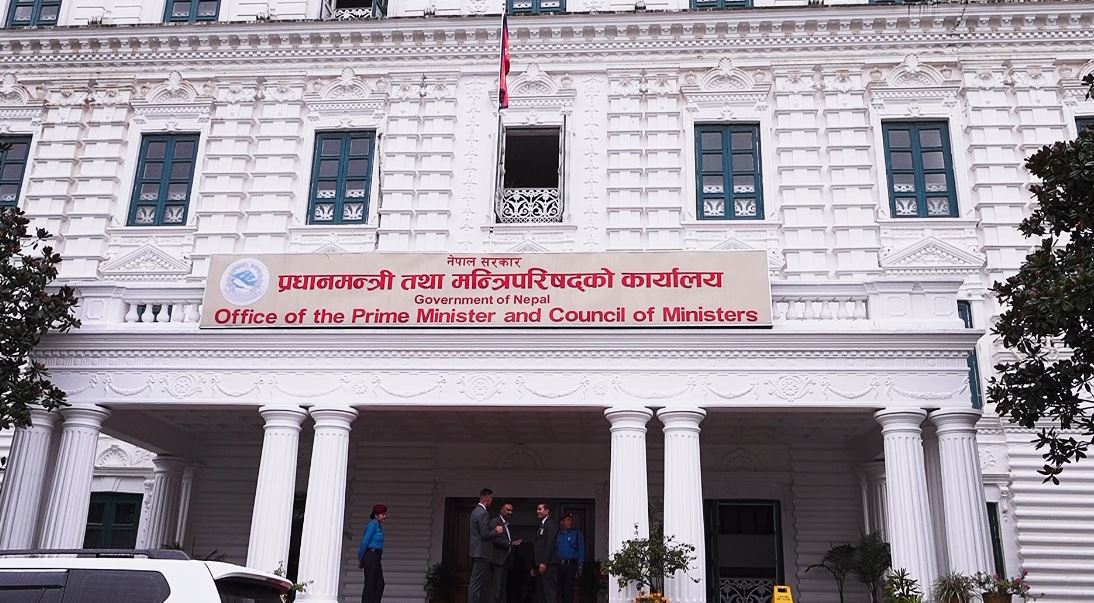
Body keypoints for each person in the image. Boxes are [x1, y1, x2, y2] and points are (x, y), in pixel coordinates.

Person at [469, 488, 505, 603]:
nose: (491, 501)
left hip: (476, 551)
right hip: (481, 552)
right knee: (477, 583)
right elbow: (484, 534)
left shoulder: (475, 511)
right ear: (487, 499)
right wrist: (496, 531)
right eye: (491, 499)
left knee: (476, 582)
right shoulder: (483, 513)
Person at [490, 502, 524, 603]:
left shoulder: (506, 525)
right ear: (501, 510)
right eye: (508, 510)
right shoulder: (495, 522)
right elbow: (494, 538)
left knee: (502, 589)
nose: (510, 512)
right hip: (497, 562)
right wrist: (510, 543)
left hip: (505, 561)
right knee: (496, 589)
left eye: (511, 510)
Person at [357, 504, 387, 603]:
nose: (385, 516)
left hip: (376, 557)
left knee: (380, 584)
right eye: (382, 514)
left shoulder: (378, 526)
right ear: (376, 515)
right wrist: (361, 558)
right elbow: (365, 542)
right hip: (370, 555)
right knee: (370, 584)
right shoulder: (372, 525)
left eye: (385, 514)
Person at [532, 502, 559, 603]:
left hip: (548, 564)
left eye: (540, 509)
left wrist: (544, 562)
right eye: (537, 509)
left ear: (547, 511)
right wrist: (535, 565)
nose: (537, 511)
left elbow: (549, 544)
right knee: (541, 592)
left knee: (549, 592)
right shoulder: (542, 525)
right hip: (541, 565)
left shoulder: (551, 524)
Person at [555, 513, 585, 603]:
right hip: (559, 565)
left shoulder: (576, 533)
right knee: (559, 590)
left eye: (571, 520)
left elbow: (581, 549)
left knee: (569, 590)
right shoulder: (558, 534)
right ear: (562, 522)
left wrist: (580, 566)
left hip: (571, 566)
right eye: (567, 520)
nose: (570, 522)